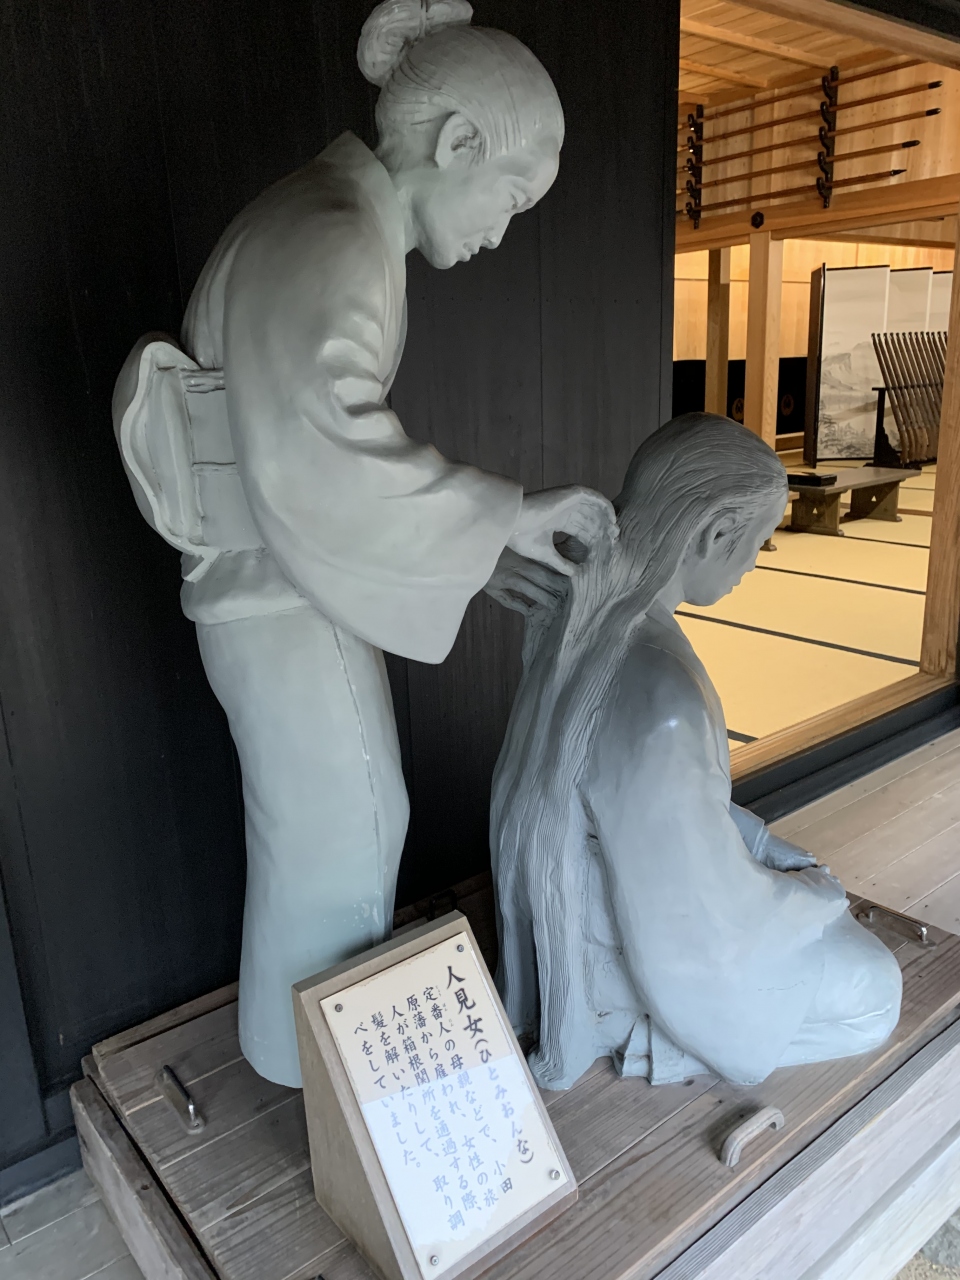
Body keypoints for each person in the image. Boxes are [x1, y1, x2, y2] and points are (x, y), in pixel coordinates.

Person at [112, 0, 612, 1086]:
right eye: (511, 197)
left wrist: (485, 546)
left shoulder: (327, 218)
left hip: (281, 584)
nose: (502, 232)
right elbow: (319, 444)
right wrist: (503, 517)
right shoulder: (333, 229)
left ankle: (303, 1064)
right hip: (279, 590)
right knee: (341, 831)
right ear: (459, 143)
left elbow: (320, 446)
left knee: (336, 826)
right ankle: (327, 1084)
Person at [492, 413, 902, 1091]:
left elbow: (663, 818)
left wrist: (760, 843)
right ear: (715, 532)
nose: (754, 562)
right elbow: (701, 924)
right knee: (875, 992)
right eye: (758, 541)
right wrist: (808, 899)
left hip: (606, 917)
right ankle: (648, 1040)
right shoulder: (663, 692)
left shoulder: (580, 619)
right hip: (630, 964)